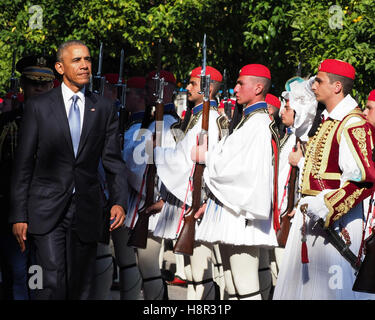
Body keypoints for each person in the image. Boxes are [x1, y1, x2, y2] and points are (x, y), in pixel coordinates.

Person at [9, 40, 127, 300]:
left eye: (87, 59)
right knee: (50, 281)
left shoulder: (104, 108)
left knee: (82, 286)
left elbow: (112, 160)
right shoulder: (38, 107)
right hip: (46, 209)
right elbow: (24, 164)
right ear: (60, 67)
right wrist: (18, 214)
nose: (85, 65)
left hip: (86, 209)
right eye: (77, 60)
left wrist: (119, 201)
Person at [273, 59, 375, 300]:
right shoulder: (330, 120)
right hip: (315, 218)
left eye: (319, 81)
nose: (314, 86)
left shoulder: (352, 124)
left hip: (336, 224)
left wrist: (328, 207)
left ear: (337, 86)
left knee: (332, 290)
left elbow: (364, 179)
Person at [191, 64, 278, 300]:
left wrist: (206, 156)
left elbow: (241, 170)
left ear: (258, 87)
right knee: (231, 283)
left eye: (241, 83)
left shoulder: (258, 125)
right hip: (232, 212)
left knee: (245, 285)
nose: (235, 88)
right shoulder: (247, 122)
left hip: (242, 213)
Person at [153, 66, 224, 300]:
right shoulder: (196, 118)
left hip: (199, 201)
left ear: (208, 89)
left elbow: (188, 159)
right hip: (190, 198)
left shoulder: (210, 119)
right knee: (195, 273)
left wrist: (158, 154)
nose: (188, 88)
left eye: (194, 84)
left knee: (200, 273)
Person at [0, 54, 55, 300]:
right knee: (17, 275)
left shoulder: (65, 123)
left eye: (44, 83)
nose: (40, 88)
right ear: (23, 85)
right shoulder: (7, 124)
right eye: (34, 84)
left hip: (50, 214)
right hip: (12, 213)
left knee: (41, 277)